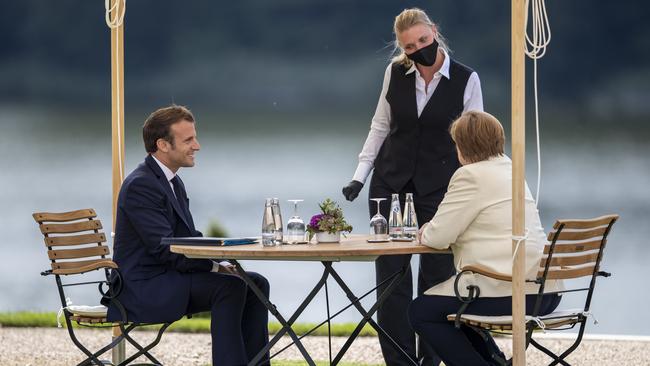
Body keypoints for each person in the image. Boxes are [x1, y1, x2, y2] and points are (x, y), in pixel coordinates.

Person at [341, 8, 483, 365]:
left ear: (434, 32)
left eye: (423, 40)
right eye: (410, 46)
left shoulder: (467, 80)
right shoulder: (395, 73)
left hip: (441, 189)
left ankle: (430, 360)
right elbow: (380, 126)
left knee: (437, 279)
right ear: (401, 49)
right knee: (392, 282)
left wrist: (476, 188)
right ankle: (399, 361)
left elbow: (474, 141)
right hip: (389, 184)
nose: (419, 49)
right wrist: (359, 175)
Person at [106, 105, 270, 366]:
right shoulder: (142, 184)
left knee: (255, 283)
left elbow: (187, 237)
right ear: (163, 144)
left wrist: (223, 262)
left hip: (169, 277)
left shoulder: (170, 180)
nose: (197, 146)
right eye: (188, 140)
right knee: (230, 286)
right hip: (143, 287)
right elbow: (165, 250)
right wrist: (216, 268)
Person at [408, 111, 563, 366]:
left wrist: (425, 229)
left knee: (422, 311)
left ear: (462, 146)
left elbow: (437, 237)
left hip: (512, 292)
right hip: (545, 293)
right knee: (452, 310)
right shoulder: (512, 169)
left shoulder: (470, 176)